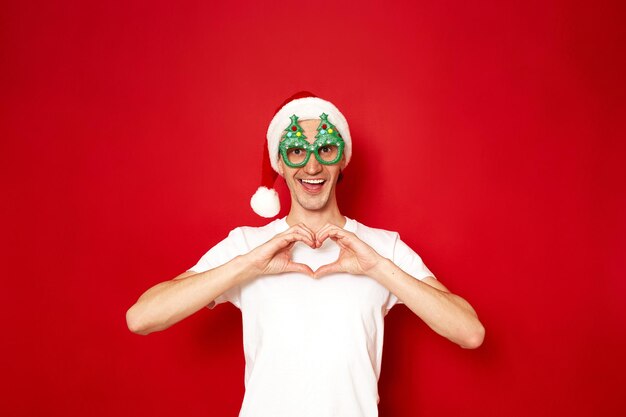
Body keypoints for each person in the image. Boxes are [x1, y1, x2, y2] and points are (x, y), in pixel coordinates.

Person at [126, 92, 485, 417]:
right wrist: (248, 265)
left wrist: (378, 267)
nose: (311, 167)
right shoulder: (248, 246)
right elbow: (142, 318)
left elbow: (470, 332)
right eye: (297, 151)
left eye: (325, 149)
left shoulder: (382, 248)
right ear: (279, 164)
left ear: (341, 159)